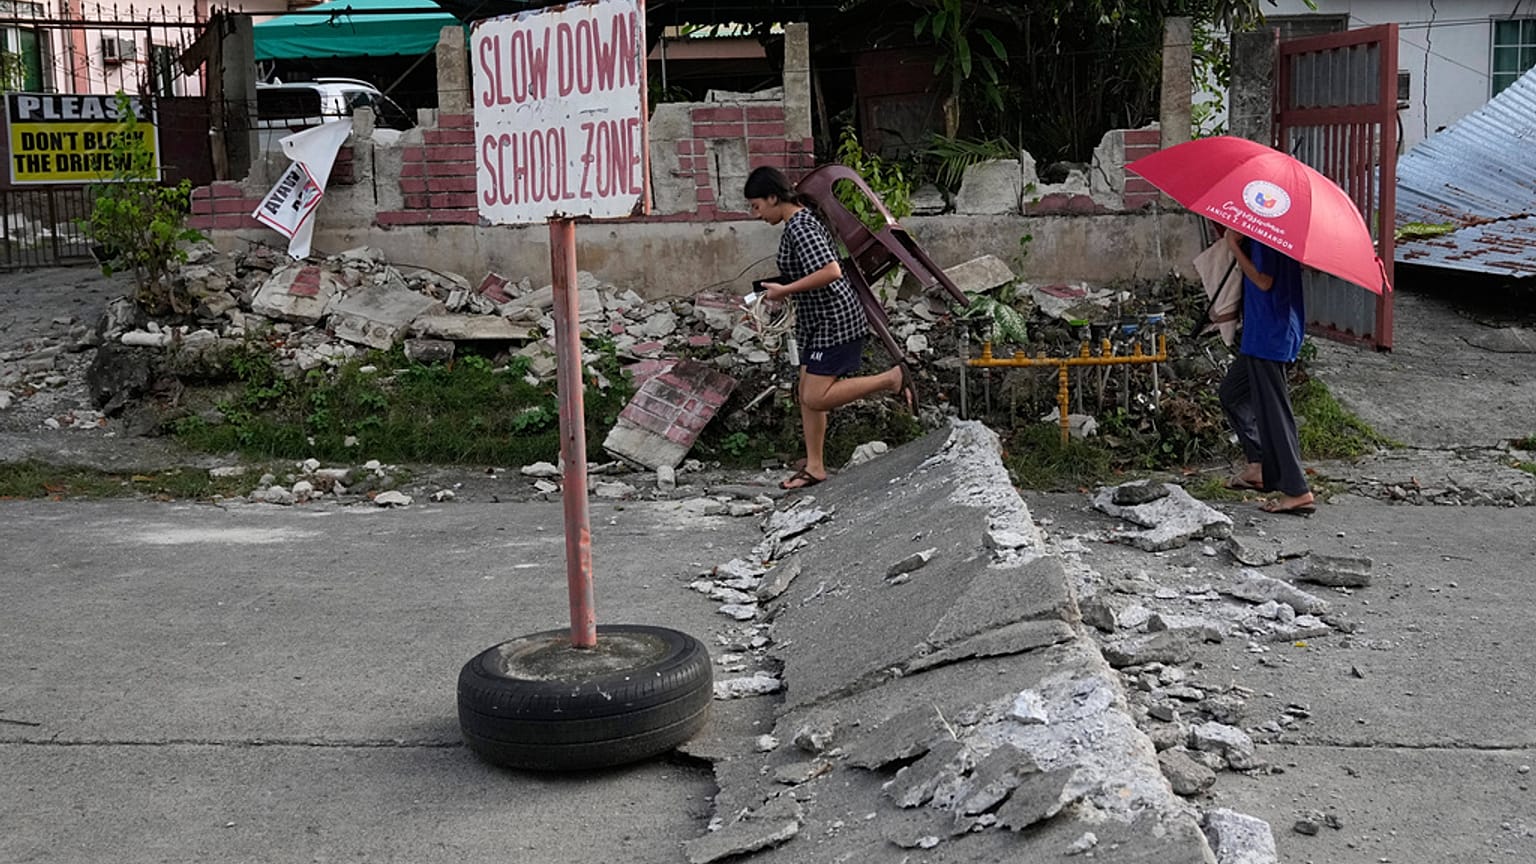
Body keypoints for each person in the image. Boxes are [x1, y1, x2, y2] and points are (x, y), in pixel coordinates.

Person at [743, 166, 916, 490]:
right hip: (817, 320)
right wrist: (776, 292)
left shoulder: (801, 226)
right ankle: (815, 467)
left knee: (815, 395)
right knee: (805, 396)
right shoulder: (799, 222)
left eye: (756, 206)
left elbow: (831, 271)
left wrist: (786, 291)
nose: (756, 214)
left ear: (772, 197)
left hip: (834, 320)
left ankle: (890, 379)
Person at [1217, 228, 1316, 515]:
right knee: (1232, 394)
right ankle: (1258, 465)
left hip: (1270, 337)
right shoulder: (1268, 231)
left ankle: (1297, 490)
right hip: (1261, 334)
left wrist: (1233, 247)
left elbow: (1264, 281)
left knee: (1274, 412)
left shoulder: (1266, 234)